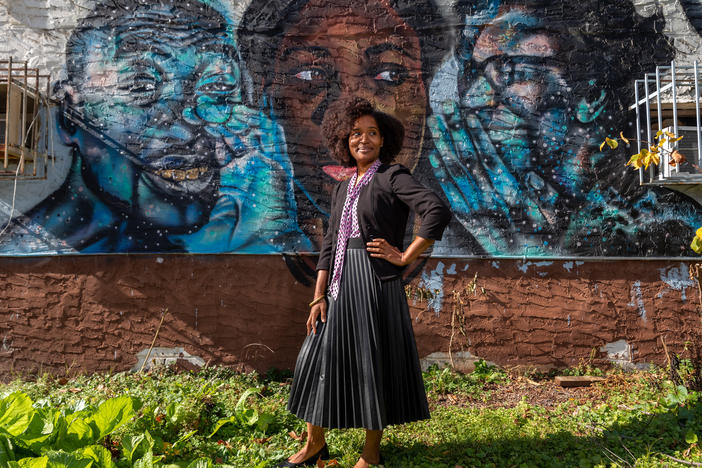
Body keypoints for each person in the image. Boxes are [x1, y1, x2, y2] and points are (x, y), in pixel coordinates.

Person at [0, 0, 308, 254]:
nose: (188, 128)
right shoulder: (23, 256)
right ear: (70, 115)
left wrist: (273, 228)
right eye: (141, 87)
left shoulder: (236, 225)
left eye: (216, 89)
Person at [429, 0, 702, 256]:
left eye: (512, 70)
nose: (479, 96)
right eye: (473, 72)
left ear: (589, 97)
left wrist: (530, 254)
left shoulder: (664, 221)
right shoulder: (455, 221)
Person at [277, 97, 451, 468]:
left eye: (372, 133)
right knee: (316, 357)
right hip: (337, 285)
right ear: (345, 139)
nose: (364, 140)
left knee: (374, 362)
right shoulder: (343, 186)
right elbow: (330, 244)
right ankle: (314, 444)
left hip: (374, 282)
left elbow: (435, 209)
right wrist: (318, 296)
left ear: (383, 139)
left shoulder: (392, 176)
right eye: (356, 134)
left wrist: (405, 257)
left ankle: (370, 454)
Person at [238, 0, 448, 247]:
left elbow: (437, 212)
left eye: (390, 74)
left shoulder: (395, 181)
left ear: (428, 96)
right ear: (262, 95)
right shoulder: (342, 194)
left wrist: (403, 257)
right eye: (310, 74)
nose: (348, 125)